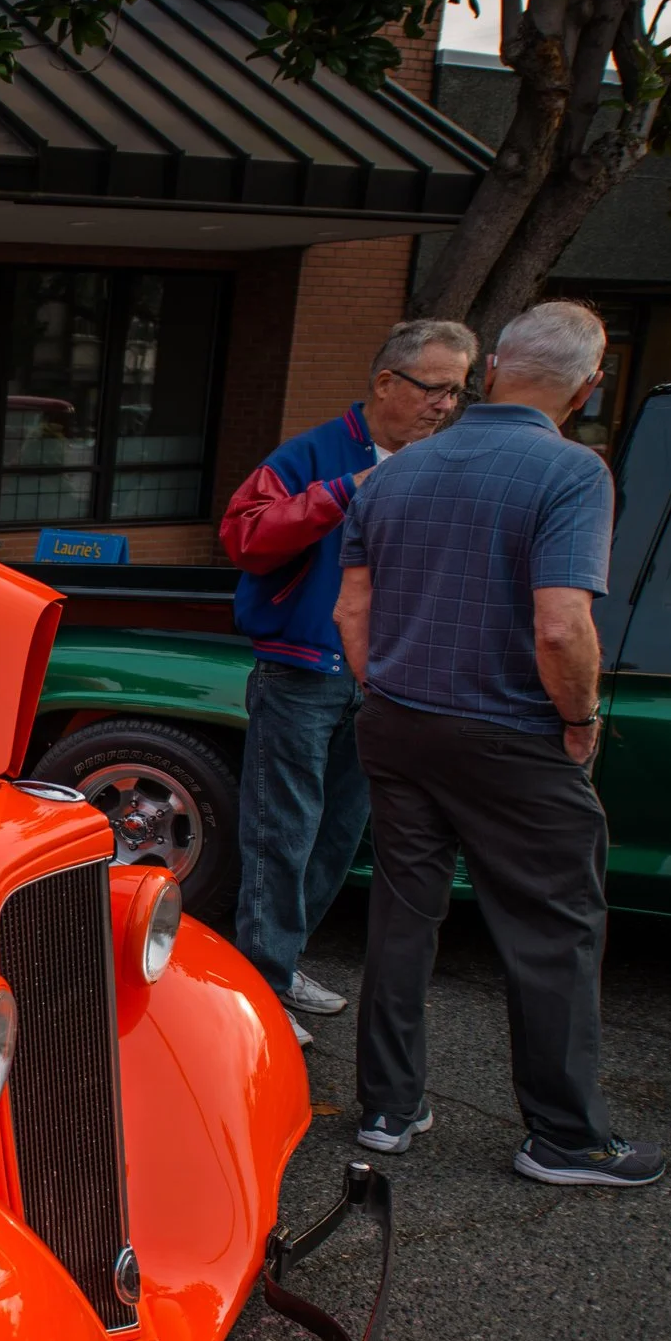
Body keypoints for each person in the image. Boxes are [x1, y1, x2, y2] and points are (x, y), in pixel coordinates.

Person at [332, 301, 662, 1186]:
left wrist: (384, 692)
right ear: (589, 385)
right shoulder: (573, 473)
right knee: (553, 927)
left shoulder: (394, 474)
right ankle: (564, 1137)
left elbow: (350, 611)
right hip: (510, 729)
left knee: (404, 911)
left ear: (489, 371)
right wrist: (581, 722)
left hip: (396, 721)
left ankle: (388, 1110)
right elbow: (561, 628)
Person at [219, 319, 478, 1047]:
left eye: (456, 392)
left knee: (337, 834)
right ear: (386, 383)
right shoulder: (312, 454)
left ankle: (282, 963)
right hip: (302, 670)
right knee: (283, 833)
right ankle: (261, 989)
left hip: (384, 678)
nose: (444, 407)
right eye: (433, 389)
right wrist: (344, 490)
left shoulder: (443, 462)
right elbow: (244, 536)